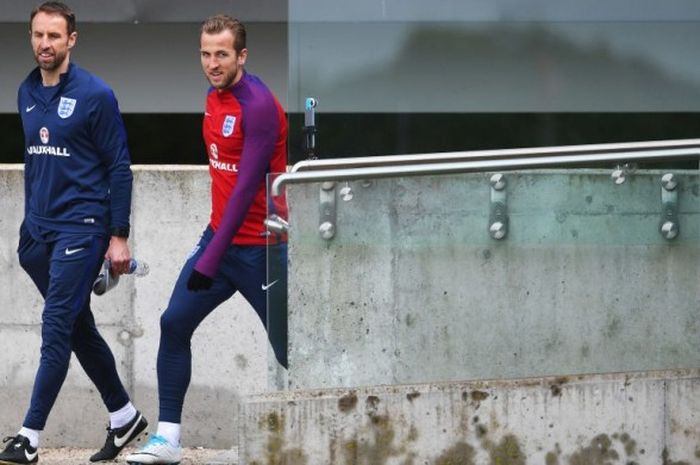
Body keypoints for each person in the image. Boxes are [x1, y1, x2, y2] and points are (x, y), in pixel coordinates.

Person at [125, 14, 288, 465]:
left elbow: (245, 189)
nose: (212, 63)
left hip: (263, 249)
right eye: (205, 53)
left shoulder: (258, 105)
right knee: (173, 324)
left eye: (222, 54)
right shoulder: (214, 98)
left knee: (292, 348)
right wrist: (212, 249)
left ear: (242, 56)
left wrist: (209, 260)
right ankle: (168, 440)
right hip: (218, 240)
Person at [0, 2, 148, 464]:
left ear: (72, 40)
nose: (45, 44)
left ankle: (28, 437)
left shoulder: (95, 94)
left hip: (83, 229)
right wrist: (30, 227)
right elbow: (38, 162)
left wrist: (117, 235)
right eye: (38, 35)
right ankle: (124, 416)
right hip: (39, 235)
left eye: (54, 36)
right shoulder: (25, 89)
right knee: (77, 324)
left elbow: (119, 169)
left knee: (56, 325)